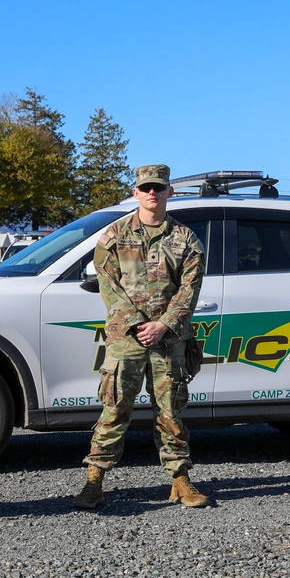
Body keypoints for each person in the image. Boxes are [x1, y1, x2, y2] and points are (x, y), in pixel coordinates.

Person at [73, 163, 209, 510]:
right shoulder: (113, 236)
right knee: (115, 409)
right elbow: (108, 284)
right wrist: (136, 324)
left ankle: (181, 480)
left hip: (170, 339)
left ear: (169, 192)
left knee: (171, 412)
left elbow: (189, 290)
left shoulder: (187, 239)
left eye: (158, 187)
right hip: (126, 340)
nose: (152, 193)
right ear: (135, 192)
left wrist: (163, 324)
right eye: (146, 187)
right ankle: (94, 481)